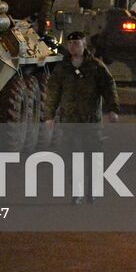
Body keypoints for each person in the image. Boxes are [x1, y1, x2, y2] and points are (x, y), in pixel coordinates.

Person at [44, 30, 121, 203]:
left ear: (84, 45)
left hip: (90, 121)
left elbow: (109, 87)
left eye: (77, 43)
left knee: (93, 157)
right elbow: (53, 92)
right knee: (71, 158)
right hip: (69, 121)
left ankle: (92, 190)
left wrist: (112, 109)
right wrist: (49, 115)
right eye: (70, 44)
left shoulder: (96, 66)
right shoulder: (62, 68)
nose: (73, 47)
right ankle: (76, 192)